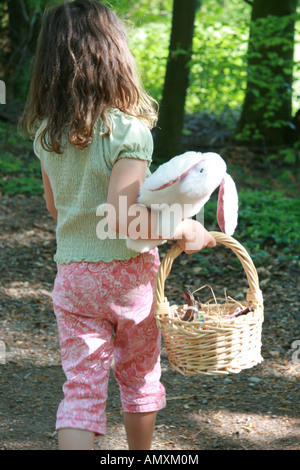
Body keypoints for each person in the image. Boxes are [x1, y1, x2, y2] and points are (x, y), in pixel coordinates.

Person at [22, 0, 216, 450]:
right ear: (115, 55)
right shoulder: (128, 132)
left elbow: (56, 209)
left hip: (73, 277)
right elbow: (127, 223)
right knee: (140, 375)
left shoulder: (47, 133)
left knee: (82, 389)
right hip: (128, 278)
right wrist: (185, 229)